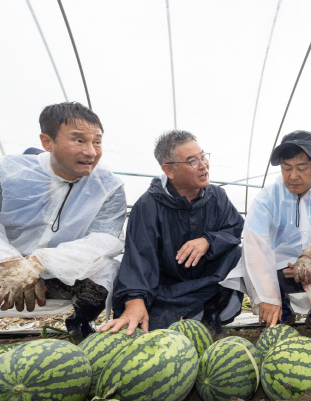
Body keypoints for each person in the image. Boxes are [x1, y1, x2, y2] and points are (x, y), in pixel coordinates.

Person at [0, 102, 126, 353]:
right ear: (47, 142)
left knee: (108, 269)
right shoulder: (9, 171)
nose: (91, 151)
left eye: (97, 142)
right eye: (79, 141)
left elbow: (103, 238)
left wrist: (38, 263)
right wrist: (12, 263)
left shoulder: (108, 186)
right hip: (0, 265)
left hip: (63, 269)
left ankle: (80, 323)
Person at [101, 130, 244, 335]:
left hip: (205, 281)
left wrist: (208, 241)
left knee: (236, 253)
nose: (203, 166)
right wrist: (135, 300)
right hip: (165, 289)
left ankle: (211, 315)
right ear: (169, 170)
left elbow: (234, 228)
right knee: (151, 337)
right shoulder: (148, 205)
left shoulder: (217, 196)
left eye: (203, 156)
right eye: (192, 161)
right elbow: (139, 258)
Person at [240, 130, 311, 341]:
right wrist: (267, 296)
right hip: (281, 269)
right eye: (287, 168)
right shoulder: (268, 196)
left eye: (302, 168)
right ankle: (282, 313)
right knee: (249, 264)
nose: (293, 176)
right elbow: (254, 242)